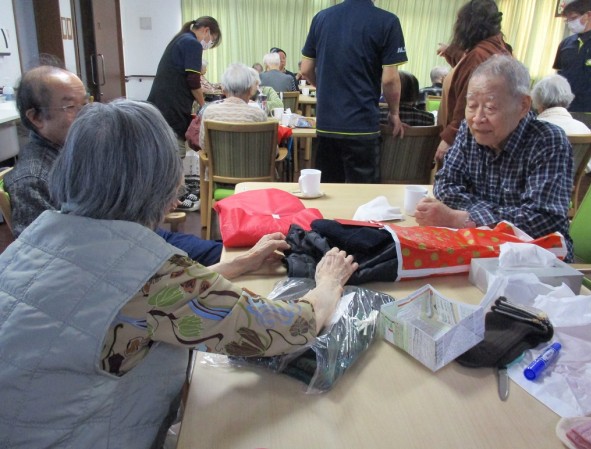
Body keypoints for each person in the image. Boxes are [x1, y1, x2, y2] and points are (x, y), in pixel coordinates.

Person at [0, 98, 358, 449]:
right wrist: (328, 283)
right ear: (158, 181)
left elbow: (124, 294)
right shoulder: (155, 279)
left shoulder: (37, 237)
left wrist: (238, 264)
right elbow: (289, 328)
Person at [5, 65, 222, 265]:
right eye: (70, 106)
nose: (86, 113)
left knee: (220, 252)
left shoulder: (84, 148)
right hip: (114, 256)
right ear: (36, 118)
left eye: (85, 103)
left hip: (134, 237)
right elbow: (47, 257)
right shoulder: (33, 179)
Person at [415, 55, 574, 261]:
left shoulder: (548, 141)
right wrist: (485, 218)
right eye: (472, 105)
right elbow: (445, 185)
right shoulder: (469, 131)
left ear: (523, 106)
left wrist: (462, 219)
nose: (477, 118)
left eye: (490, 108)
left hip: (537, 261)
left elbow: (543, 220)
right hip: (480, 250)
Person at [300, 0, 408, 183]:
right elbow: (389, 79)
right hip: (362, 124)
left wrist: (324, 86)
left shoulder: (321, 18)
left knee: (329, 189)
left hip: (327, 123)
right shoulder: (388, 21)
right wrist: (394, 112)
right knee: (363, 192)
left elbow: (305, 68)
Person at [435, 0, 511, 163]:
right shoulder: (499, 48)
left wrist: (449, 138)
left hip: (471, 139)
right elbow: (465, 68)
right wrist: (451, 51)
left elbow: (468, 102)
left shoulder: (478, 55)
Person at [147, 17, 221, 158]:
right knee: (175, 152)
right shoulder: (192, 43)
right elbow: (193, 81)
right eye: (212, 40)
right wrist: (203, 106)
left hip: (161, 104)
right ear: (206, 30)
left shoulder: (181, 38)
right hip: (172, 107)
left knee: (163, 151)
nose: (209, 44)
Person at [532, 73, 591, 172]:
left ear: (537, 100)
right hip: (569, 181)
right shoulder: (584, 129)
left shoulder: (532, 128)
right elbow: (590, 164)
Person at [553, 0, 591, 131]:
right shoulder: (565, 44)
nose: (570, 23)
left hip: (589, 111)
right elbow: (559, 75)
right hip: (563, 109)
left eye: (573, 18)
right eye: (567, 20)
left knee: (584, 143)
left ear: (588, 15)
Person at [199, 63, 269, 149]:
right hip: (250, 158)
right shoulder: (258, 114)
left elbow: (203, 145)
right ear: (250, 90)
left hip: (219, 158)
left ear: (223, 90)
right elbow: (269, 148)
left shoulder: (210, 112)